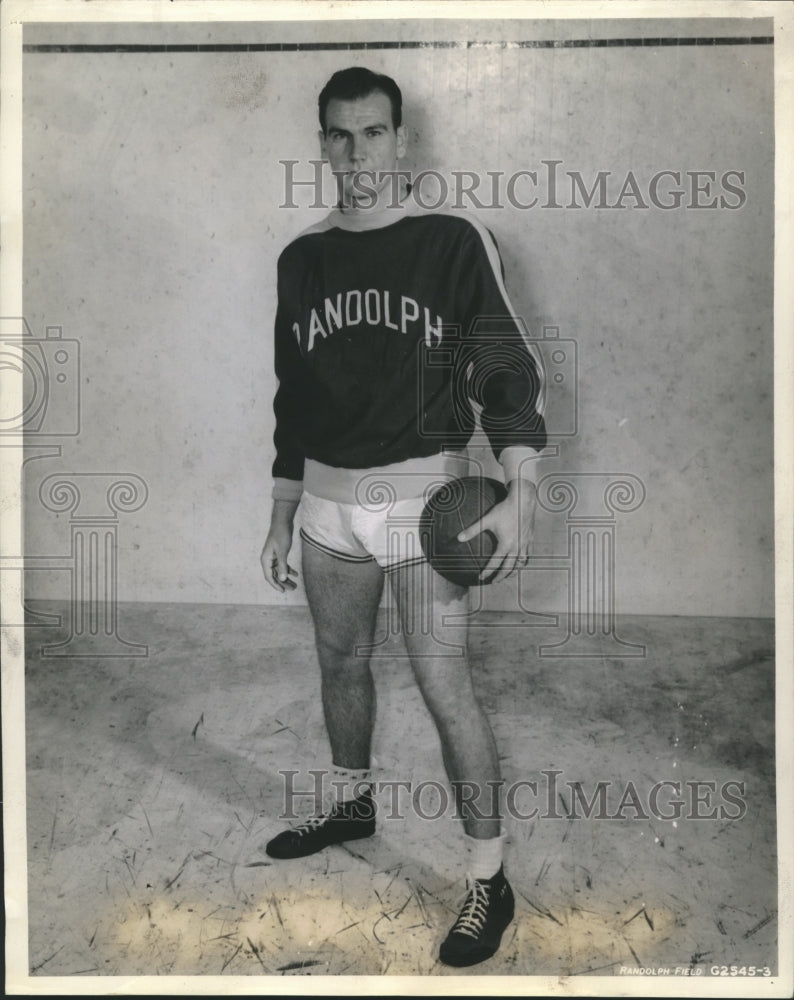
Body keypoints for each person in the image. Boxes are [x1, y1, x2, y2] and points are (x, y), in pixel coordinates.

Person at [260, 66, 546, 968]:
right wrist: (282, 512)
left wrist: (522, 492)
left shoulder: (452, 240)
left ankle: (488, 879)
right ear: (322, 146)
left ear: (402, 140)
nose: (358, 154)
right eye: (340, 136)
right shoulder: (300, 259)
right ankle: (351, 801)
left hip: (425, 504)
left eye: (374, 133)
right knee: (339, 661)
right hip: (327, 507)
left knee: (443, 684)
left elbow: (504, 366)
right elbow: (292, 398)